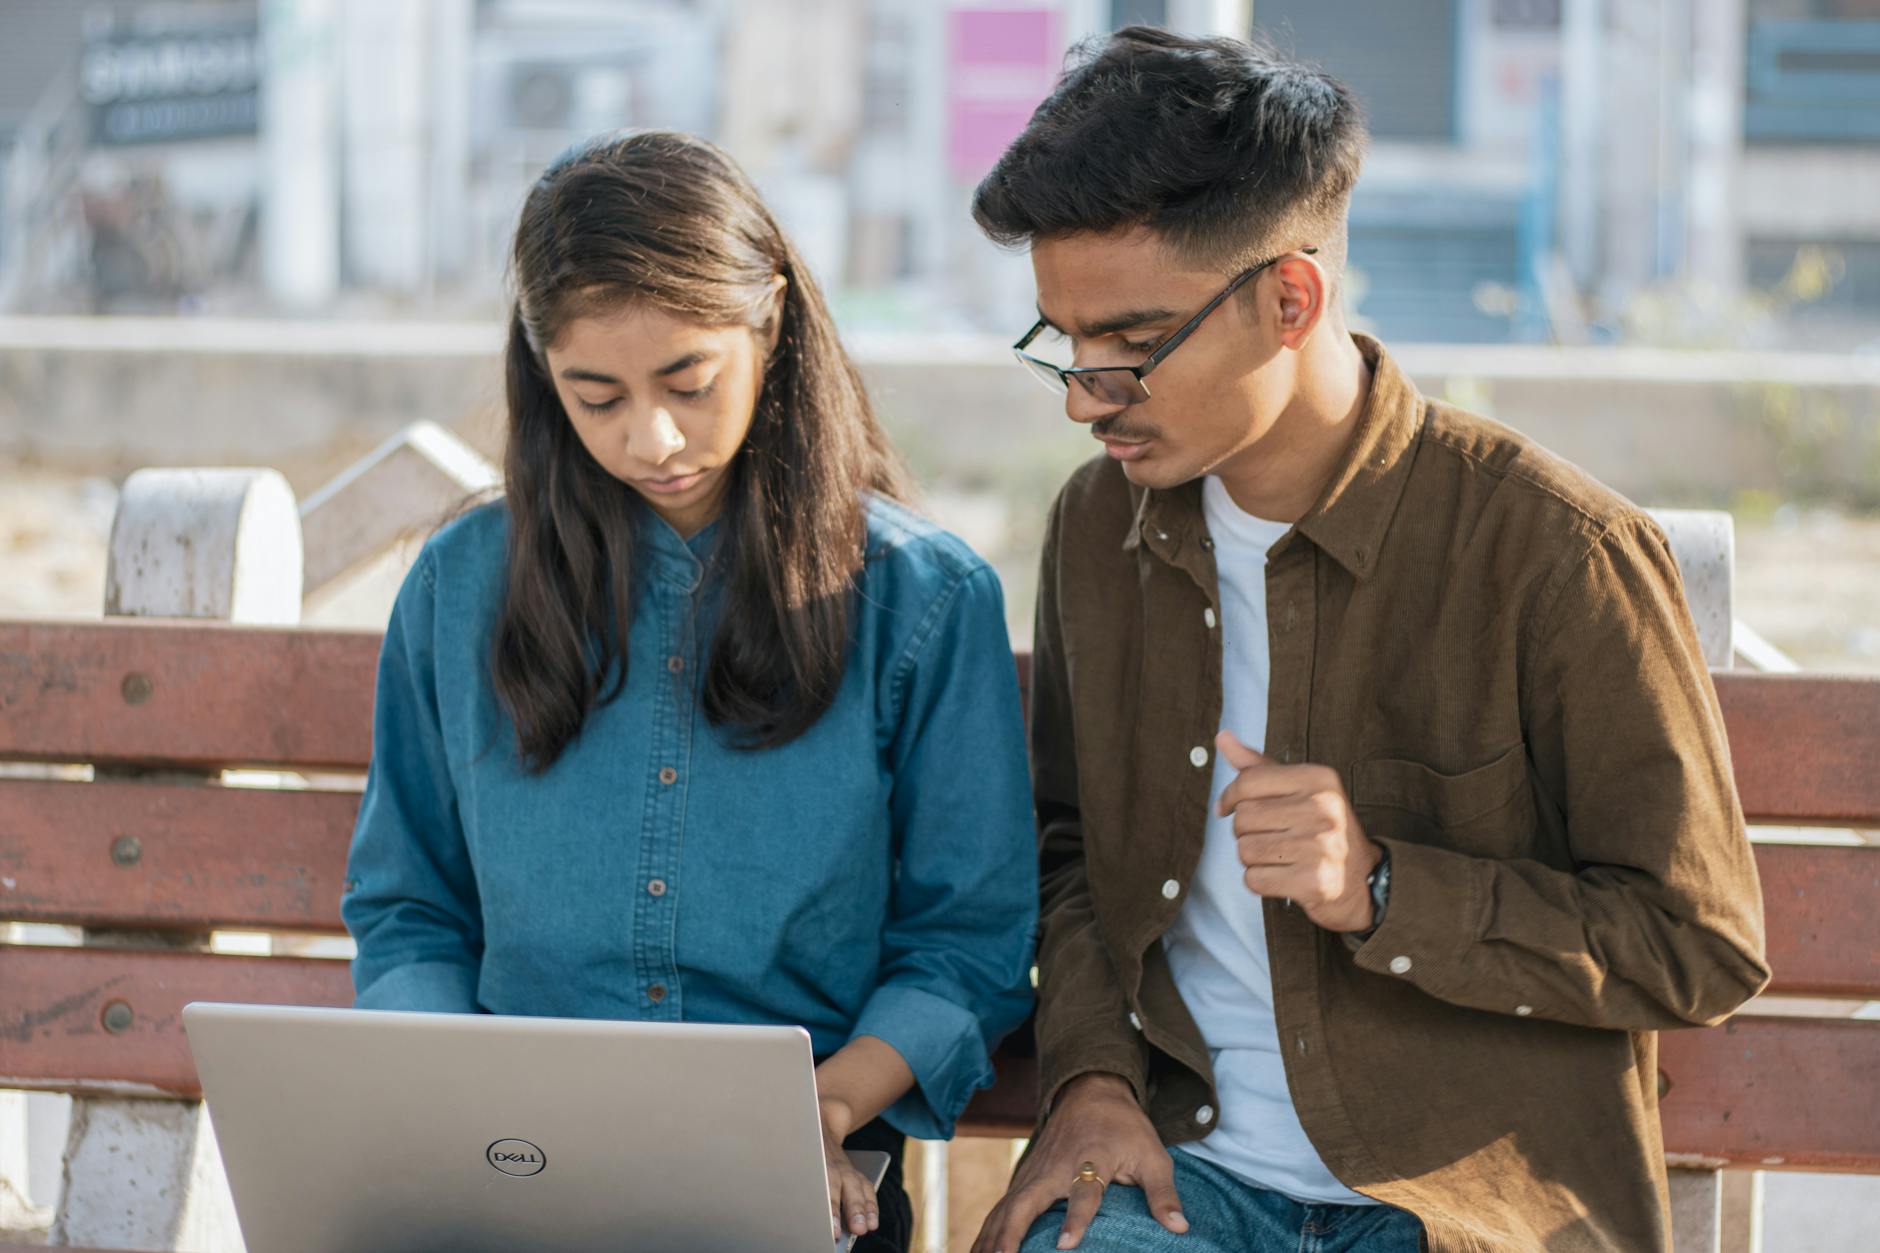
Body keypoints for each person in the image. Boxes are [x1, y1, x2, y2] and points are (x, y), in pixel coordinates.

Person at [966, 28, 1769, 1253]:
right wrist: (1089, 1076)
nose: (1085, 396)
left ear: (1290, 299)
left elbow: (1697, 944)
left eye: (1130, 350)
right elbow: (1072, 851)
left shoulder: (1557, 552)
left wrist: (1383, 887)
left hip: (1468, 1207)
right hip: (1180, 1180)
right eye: (1063, 347)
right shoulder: (1096, 525)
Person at [341, 129, 1038, 1253]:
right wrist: (446, 1103)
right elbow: (410, 905)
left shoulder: (921, 597)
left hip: (803, 1164)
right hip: (508, 1164)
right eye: (595, 395)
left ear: (767, 318)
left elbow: (966, 940)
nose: (649, 436)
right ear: (541, 370)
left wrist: (819, 1107)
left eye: (687, 380)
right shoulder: (459, 585)